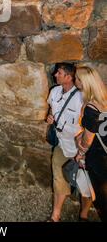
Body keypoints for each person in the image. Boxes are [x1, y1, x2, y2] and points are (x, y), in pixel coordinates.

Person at [46, 63, 92, 222]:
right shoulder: (54, 91)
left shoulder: (82, 97)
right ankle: (55, 216)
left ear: (69, 77)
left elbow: (90, 126)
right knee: (58, 181)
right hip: (61, 145)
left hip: (82, 152)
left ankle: (84, 215)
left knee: (86, 187)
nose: (55, 75)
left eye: (59, 73)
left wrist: (83, 150)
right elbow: (52, 110)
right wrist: (50, 117)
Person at [75, 65, 107, 222]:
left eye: (76, 78)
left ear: (84, 82)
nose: (75, 81)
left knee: (102, 199)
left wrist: (80, 153)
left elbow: (87, 140)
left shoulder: (90, 108)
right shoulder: (104, 98)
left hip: (99, 159)